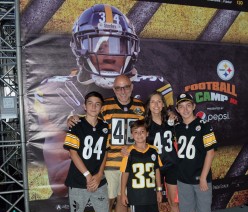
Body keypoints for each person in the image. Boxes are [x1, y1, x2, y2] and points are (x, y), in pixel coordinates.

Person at [34, 3, 174, 198]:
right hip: (102, 172)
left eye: (118, 45)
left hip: (139, 167)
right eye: (98, 45)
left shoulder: (153, 89)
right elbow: (60, 177)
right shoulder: (56, 91)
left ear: (132, 48)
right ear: (78, 46)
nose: (109, 55)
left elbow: (164, 136)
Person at [68, 74, 145, 212]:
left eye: (126, 87)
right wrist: (72, 119)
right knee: (107, 203)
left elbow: (143, 132)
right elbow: (90, 117)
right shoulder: (106, 105)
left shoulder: (140, 106)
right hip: (108, 164)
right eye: (118, 88)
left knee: (122, 200)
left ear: (132, 87)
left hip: (129, 165)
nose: (123, 91)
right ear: (113, 89)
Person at [63, 91, 115, 212]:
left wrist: (99, 175)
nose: (93, 106)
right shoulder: (76, 125)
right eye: (90, 103)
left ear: (101, 107)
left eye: (97, 104)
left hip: (99, 182)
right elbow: (73, 153)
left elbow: (105, 151)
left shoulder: (105, 126)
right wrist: (87, 176)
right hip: (79, 181)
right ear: (84, 106)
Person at [175, 93, 217, 212]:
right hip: (183, 178)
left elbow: (210, 152)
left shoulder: (204, 125)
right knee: (189, 211)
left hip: (201, 179)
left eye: (188, 105)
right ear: (177, 109)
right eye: (181, 106)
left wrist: (204, 177)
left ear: (193, 106)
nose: (185, 109)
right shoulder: (176, 128)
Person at [144, 91, 180, 212]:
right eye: (153, 102)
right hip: (154, 168)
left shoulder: (171, 121)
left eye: (159, 101)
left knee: (173, 201)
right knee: (155, 202)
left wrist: (174, 117)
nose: (156, 105)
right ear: (148, 105)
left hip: (171, 165)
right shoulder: (144, 124)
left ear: (163, 104)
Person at [120, 119, 163, 212]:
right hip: (136, 195)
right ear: (132, 135)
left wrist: (159, 189)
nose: (139, 135)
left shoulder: (153, 150)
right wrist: (123, 193)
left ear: (147, 133)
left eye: (142, 132)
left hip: (150, 193)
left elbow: (157, 171)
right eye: (136, 132)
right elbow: (125, 174)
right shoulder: (129, 153)